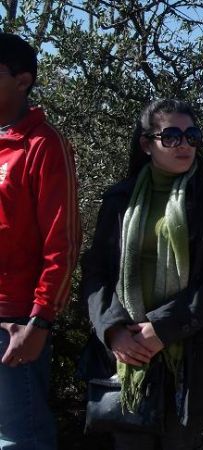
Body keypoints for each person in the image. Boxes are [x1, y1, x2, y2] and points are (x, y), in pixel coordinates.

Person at [81, 99, 203, 449]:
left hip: (188, 358)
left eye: (191, 135)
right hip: (126, 355)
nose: (183, 144)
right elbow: (96, 272)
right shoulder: (119, 200)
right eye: (170, 136)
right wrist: (113, 331)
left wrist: (162, 329)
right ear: (146, 144)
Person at [0, 33, 81, 449]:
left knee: (20, 439)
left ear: (22, 80)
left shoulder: (43, 144)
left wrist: (41, 320)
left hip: (13, 322)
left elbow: (61, 243)